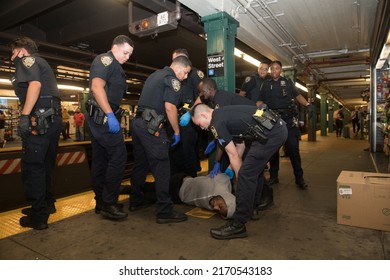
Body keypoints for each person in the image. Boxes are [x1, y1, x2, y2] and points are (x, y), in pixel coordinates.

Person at [191, 104, 287, 239]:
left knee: (246, 175)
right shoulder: (223, 113)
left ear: (203, 115)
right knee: (250, 173)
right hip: (275, 128)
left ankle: (238, 224)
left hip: (272, 133)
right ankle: (251, 206)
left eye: (199, 124)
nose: (202, 128)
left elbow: (233, 155)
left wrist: (240, 181)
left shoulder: (216, 123)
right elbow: (240, 145)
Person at [130, 55, 192, 224]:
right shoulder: (172, 80)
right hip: (152, 127)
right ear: (179, 67)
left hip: (137, 124)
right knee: (163, 167)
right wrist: (177, 131)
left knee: (141, 164)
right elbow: (169, 107)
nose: (185, 77)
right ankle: (164, 210)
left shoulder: (154, 75)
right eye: (186, 73)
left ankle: (135, 201)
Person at [198, 78, 274, 213]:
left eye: (202, 92)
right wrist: (216, 141)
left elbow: (222, 133)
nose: (201, 95)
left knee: (252, 170)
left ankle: (257, 203)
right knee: (251, 169)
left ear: (209, 90)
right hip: (250, 131)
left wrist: (216, 161)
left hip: (258, 130)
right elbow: (225, 133)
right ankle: (256, 201)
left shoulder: (220, 100)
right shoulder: (218, 99)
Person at [10, 36, 62, 230]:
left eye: (13, 53)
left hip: (39, 121)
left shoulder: (27, 61)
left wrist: (24, 116)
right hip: (52, 120)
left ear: (22, 51)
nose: (12, 58)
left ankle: (38, 216)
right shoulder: (43, 62)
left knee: (33, 167)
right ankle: (48, 204)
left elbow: (35, 85)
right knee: (46, 165)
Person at [86, 35, 134, 220]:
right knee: (119, 156)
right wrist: (110, 115)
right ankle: (109, 202)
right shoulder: (105, 60)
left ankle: (101, 201)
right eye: (125, 52)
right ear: (114, 47)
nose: (127, 57)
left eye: (130, 54)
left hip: (101, 118)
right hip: (103, 117)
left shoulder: (116, 66)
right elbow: (97, 87)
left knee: (101, 159)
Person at [258, 60, 313, 189]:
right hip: (272, 121)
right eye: (272, 69)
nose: (274, 71)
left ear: (280, 70)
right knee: (273, 151)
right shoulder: (265, 84)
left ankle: (299, 179)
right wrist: (259, 113)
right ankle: (273, 177)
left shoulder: (288, 82)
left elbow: (298, 96)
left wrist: (307, 105)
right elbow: (259, 101)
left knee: (294, 150)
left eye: (277, 68)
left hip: (288, 121)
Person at [170, 48, 204, 177]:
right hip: (176, 117)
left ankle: (191, 183)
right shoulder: (173, 74)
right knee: (176, 153)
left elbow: (202, 94)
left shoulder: (195, 74)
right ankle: (178, 181)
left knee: (188, 152)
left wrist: (189, 113)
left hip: (188, 118)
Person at [169, 173, 236, 218]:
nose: (215, 208)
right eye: (220, 206)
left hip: (177, 197)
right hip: (178, 183)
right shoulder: (220, 184)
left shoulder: (221, 191)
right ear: (226, 198)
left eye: (219, 211)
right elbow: (222, 177)